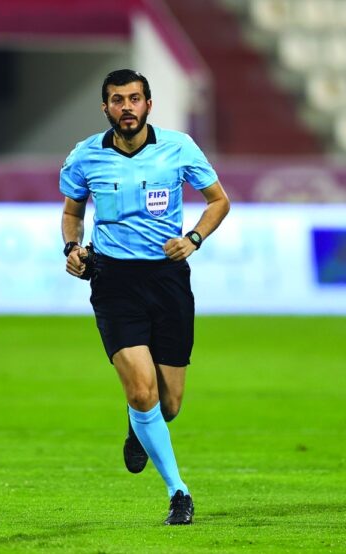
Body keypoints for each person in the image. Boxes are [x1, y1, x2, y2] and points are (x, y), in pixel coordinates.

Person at [59, 69, 230, 525]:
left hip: (168, 280)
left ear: (149, 104)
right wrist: (72, 249)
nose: (127, 107)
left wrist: (193, 238)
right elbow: (72, 212)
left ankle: (139, 426)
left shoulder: (179, 148)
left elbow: (219, 201)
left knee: (168, 404)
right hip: (113, 282)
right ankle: (179, 492)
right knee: (140, 391)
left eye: (135, 99)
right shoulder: (85, 157)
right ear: (106, 108)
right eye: (117, 100)